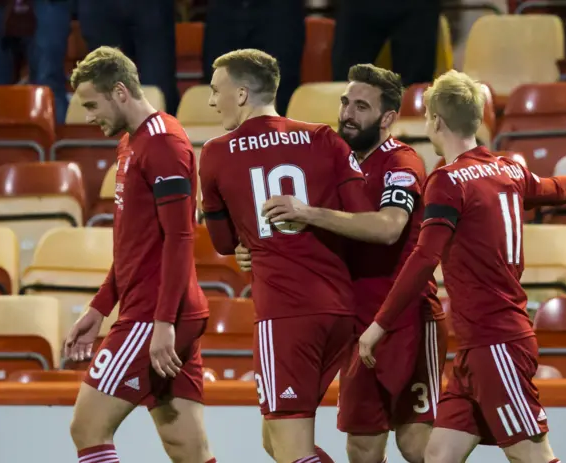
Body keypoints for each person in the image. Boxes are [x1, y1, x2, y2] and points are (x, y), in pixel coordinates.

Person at [358, 70, 566, 463]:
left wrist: (378, 325)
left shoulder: (448, 181)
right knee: (438, 455)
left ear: (435, 121)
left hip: (496, 342)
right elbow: (556, 190)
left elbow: (424, 258)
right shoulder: (510, 170)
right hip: (476, 348)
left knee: (531, 456)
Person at [259, 63, 446, 463]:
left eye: (361, 106)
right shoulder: (333, 162)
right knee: (361, 449)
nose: (347, 113)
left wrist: (308, 213)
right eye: (346, 102)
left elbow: (389, 227)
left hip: (406, 318)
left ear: (388, 118)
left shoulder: (401, 163)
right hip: (355, 321)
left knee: (417, 446)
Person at [199, 48, 373, 463]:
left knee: (291, 448)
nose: (210, 101)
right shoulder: (324, 138)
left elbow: (223, 243)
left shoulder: (217, 152)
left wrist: (252, 242)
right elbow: (363, 219)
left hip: (285, 312)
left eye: (215, 90)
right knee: (275, 441)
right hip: (339, 309)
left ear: (241, 95)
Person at [65, 46, 215, 463]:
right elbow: (136, 244)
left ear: (119, 92)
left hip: (155, 315)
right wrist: (99, 307)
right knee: (188, 448)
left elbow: (181, 238)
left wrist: (163, 323)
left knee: (87, 427)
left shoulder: (164, 143)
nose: (90, 116)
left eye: (93, 104)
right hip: (160, 310)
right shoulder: (132, 142)